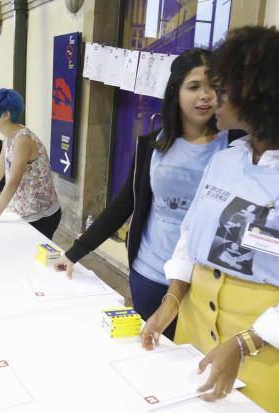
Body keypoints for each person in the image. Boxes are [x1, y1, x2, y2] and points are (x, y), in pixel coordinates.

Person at [141, 25, 279, 413]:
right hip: (191, 326)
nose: (212, 99)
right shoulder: (224, 160)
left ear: (261, 99)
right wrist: (172, 298)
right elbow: (190, 236)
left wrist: (244, 344)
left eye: (224, 89)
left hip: (261, 346)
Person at [53, 48, 237, 339]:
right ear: (176, 91)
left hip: (207, 284)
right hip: (150, 274)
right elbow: (123, 204)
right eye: (194, 87)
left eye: (214, 87)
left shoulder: (235, 146)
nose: (206, 96)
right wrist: (76, 252)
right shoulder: (153, 144)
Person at [0, 89, 61, 239]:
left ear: (6, 115)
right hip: (22, 211)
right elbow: (0, 167)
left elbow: (12, 182)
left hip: (40, 216)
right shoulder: (10, 135)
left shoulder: (23, 139)